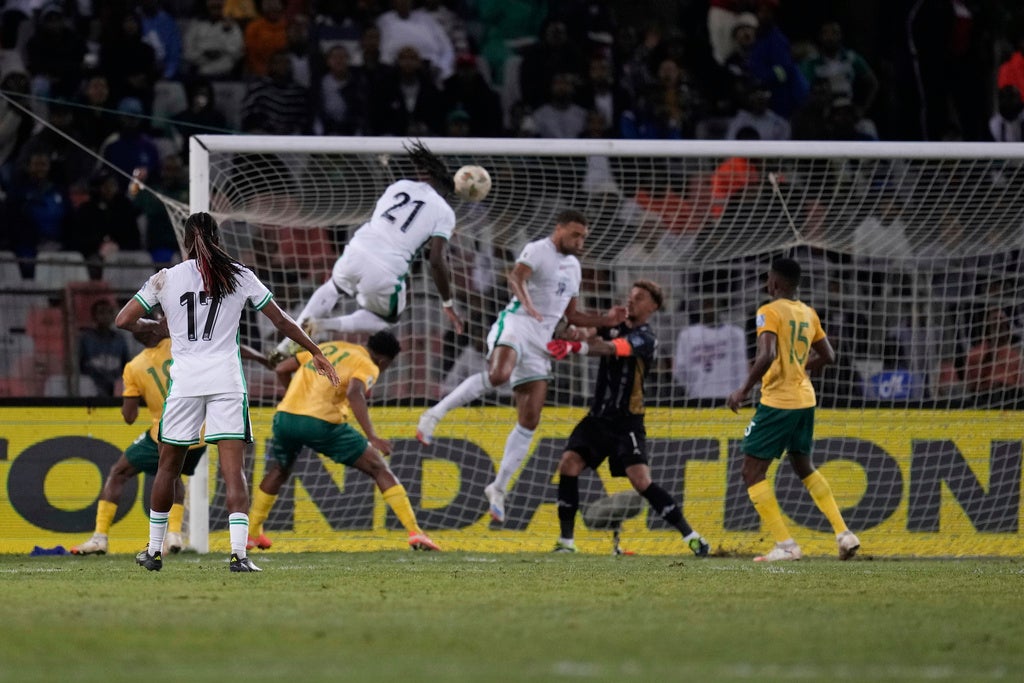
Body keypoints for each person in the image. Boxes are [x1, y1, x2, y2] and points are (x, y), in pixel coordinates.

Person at [115, 211, 339, 573]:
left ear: (186, 241)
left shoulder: (165, 279)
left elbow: (123, 320)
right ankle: (239, 555)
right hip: (226, 382)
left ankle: (154, 551)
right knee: (234, 471)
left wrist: (157, 328)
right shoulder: (239, 275)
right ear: (218, 239)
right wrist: (315, 351)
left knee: (167, 468)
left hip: (185, 382)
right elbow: (281, 320)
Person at [416, 209, 627, 523]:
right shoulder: (538, 249)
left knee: (529, 420)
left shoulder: (574, 267)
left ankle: (498, 488)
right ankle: (434, 414)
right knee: (499, 375)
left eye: (584, 236)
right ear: (559, 229)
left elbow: (572, 316)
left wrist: (606, 320)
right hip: (516, 323)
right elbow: (515, 276)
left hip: (541, 340)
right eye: (575, 235)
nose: (580, 241)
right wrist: (526, 302)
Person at [546, 280, 710, 556]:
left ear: (653, 307)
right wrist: (565, 325)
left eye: (640, 298)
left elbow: (613, 349)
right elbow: (581, 333)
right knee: (568, 464)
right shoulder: (612, 325)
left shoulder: (647, 338)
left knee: (641, 482)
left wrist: (579, 348)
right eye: (631, 296)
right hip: (598, 417)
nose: (631, 301)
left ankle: (692, 537)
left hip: (627, 421)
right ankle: (566, 542)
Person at [247, 331, 441, 552]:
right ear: (384, 361)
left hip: (285, 417)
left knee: (280, 469)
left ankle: (252, 533)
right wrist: (372, 436)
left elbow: (281, 368)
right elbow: (355, 393)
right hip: (321, 423)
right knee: (378, 467)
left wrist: (292, 396)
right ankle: (415, 532)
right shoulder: (368, 364)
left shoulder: (331, 346)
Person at [270, 140, 463, 362]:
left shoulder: (399, 185)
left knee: (332, 287)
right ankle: (323, 325)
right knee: (387, 319)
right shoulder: (444, 211)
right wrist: (447, 303)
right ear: (446, 192)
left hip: (358, 249)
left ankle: (287, 344)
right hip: (386, 268)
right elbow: (437, 260)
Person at [726, 258, 860, 562]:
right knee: (803, 466)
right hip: (805, 401)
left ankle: (786, 545)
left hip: (778, 402)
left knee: (751, 471)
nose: (766, 284)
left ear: (775, 282)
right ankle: (844, 534)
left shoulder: (769, 311)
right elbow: (829, 355)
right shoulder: (807, 312)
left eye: (769, 279)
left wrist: (743, 390)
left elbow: (766, 355)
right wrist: (801, 368)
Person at [71, 322, 209, 556]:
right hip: (201, 433)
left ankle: (99, 538)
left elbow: (129, 416)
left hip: (167, 432)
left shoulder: (134, 367)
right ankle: (174, 535)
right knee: (172, 474)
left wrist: (142, 397)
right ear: (155, 330)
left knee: (119, 472)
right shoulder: (179, 345)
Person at [673, 297, 748, 400]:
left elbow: (741, 368)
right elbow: (680, 370)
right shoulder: (687, 335)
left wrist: (739, 393)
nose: (710, 308)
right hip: (697, 397)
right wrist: (691, 389)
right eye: (707, 303)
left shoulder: (736, 333)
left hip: (728, 397)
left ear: (720, 305)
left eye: (712, 303)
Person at [78, 298, 132, 397]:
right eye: (101, 312)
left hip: (115, 382)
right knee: (84, 383)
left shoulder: (119, 339)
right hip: (92, 382)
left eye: (109, 313)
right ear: (94, 316)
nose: (105, 316)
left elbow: (126, 364)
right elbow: (79, 364)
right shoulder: (86, 338)